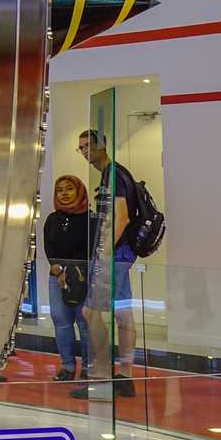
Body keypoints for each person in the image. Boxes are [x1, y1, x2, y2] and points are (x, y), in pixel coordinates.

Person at [75, 128, 139, 398]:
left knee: (91, 313)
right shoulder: (111, 174)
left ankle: (100, 374)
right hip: (122, 256)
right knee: (124, 314)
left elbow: (121, 218)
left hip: (115, 256)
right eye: (82, 147)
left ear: (102, 144)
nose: (86, 151)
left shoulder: (114, 174)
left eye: (89, 145)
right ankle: (125, 376)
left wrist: (105, 252)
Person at [41, 175, 92, 381]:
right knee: (61, 321)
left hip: (83, 277)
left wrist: (71, 271)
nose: (64, 193)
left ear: (79, 191)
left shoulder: (91, 218)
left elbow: (89, 249)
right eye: (60, 189)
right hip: (57, 277)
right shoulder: (52, 219)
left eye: (69, 189)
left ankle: (89, 367)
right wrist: (57, 268)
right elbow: (48, 246)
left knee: (85, 323)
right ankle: (67, 367)